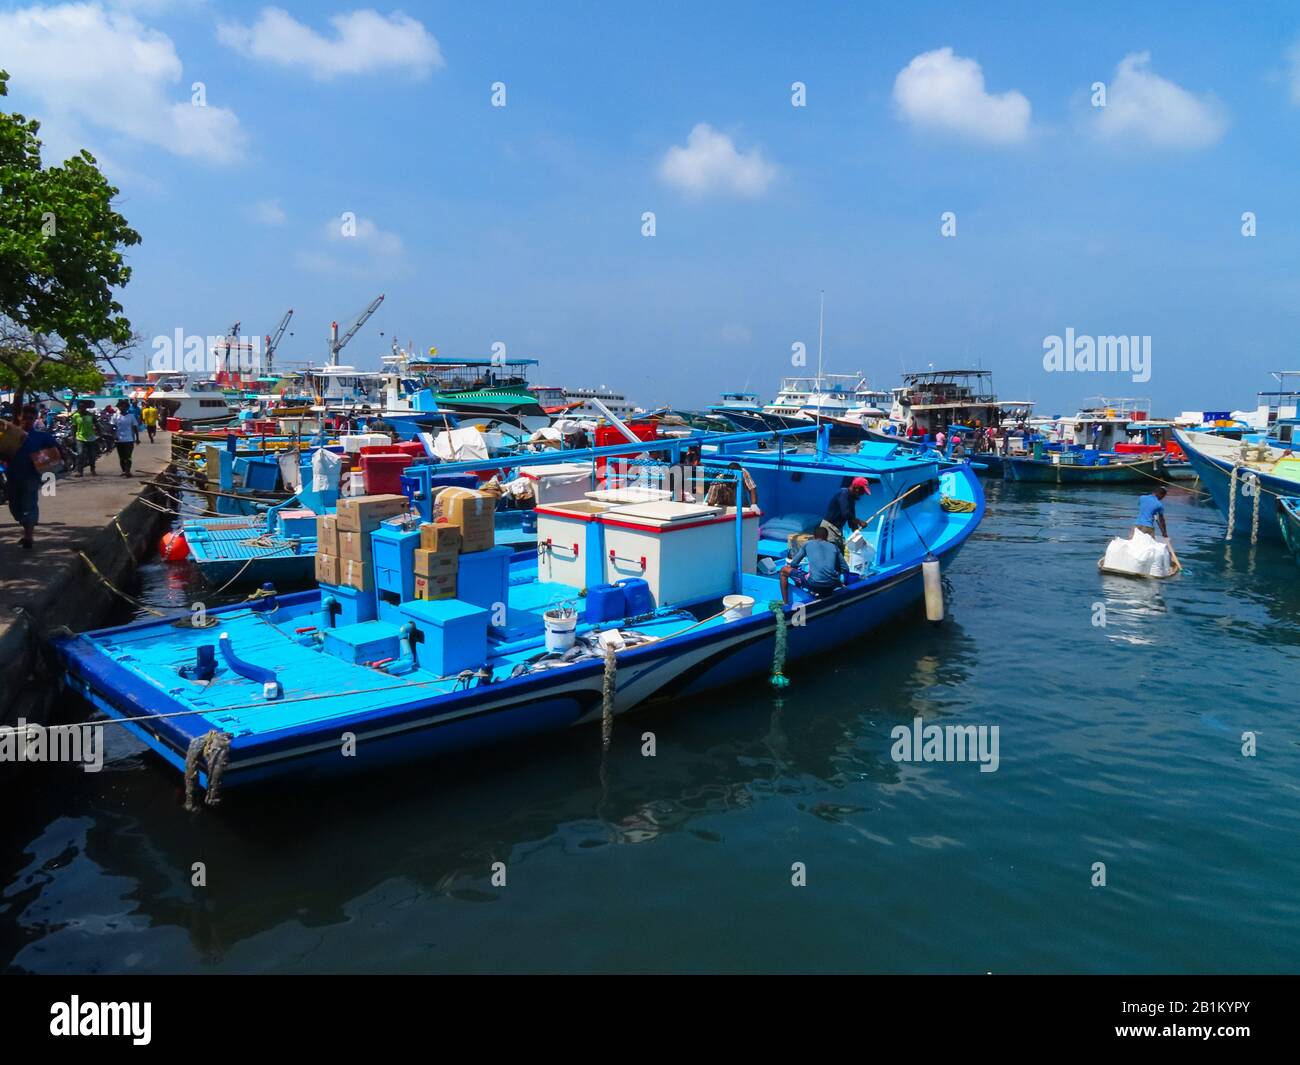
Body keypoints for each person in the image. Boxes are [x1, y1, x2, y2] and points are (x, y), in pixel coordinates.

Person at [5, 405, 58, 549]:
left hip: (31, 476)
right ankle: (26, 525)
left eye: (31, 417)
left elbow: (57, 452)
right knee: (15, 507)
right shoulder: (10, 434)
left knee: (29, 504)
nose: (27, 420)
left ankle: (29, 536)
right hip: (12, 476)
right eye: (25, 417)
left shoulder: (42, 436)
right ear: (19, 417)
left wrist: (49, 467)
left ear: (35, 418)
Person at [780, 525, 848, 602]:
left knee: (783, 571)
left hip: (814, 584)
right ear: (826, 537)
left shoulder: (807, 544)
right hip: (833, 584)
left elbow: (793, 564)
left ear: (814, 536)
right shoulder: (834, 547)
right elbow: (845, 569)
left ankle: (785, 603)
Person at [819, 476, 870, 546]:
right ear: (857, 488)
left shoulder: (851, 499)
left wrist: (857, 534)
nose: (862, 494)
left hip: (837, 529)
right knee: (833, 552)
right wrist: (860, 522)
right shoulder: (844, 493)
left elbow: (851, 520)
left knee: (840, 552)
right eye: (862, 491)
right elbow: (846, 514)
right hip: (829, 528)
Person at [111, 400, 141, 476]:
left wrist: (137, 438)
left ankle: (128, 470)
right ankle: (124, 470)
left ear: (127, 407)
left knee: (128, 456)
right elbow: (112, 427)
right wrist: (114, 435)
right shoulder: (115, 416)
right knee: (121, 457)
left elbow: (135, 428)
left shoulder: (131, 416)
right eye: (120, 406)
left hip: (129, 439)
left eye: (123, 406)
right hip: (119, 440)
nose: (122, 408)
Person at [70, 401, 98, 476]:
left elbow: (96, 424)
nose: (81, 409)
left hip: (91, 437)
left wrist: (100, 432)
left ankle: (92, 469)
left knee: (91, 455)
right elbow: (73, 427)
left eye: (83, 407)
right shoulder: (75, 416)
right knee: (80, 454)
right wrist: (73, 437)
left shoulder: (90, 415)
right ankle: (80, 471)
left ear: (85, 408)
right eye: (80, 407)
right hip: (80, 437)